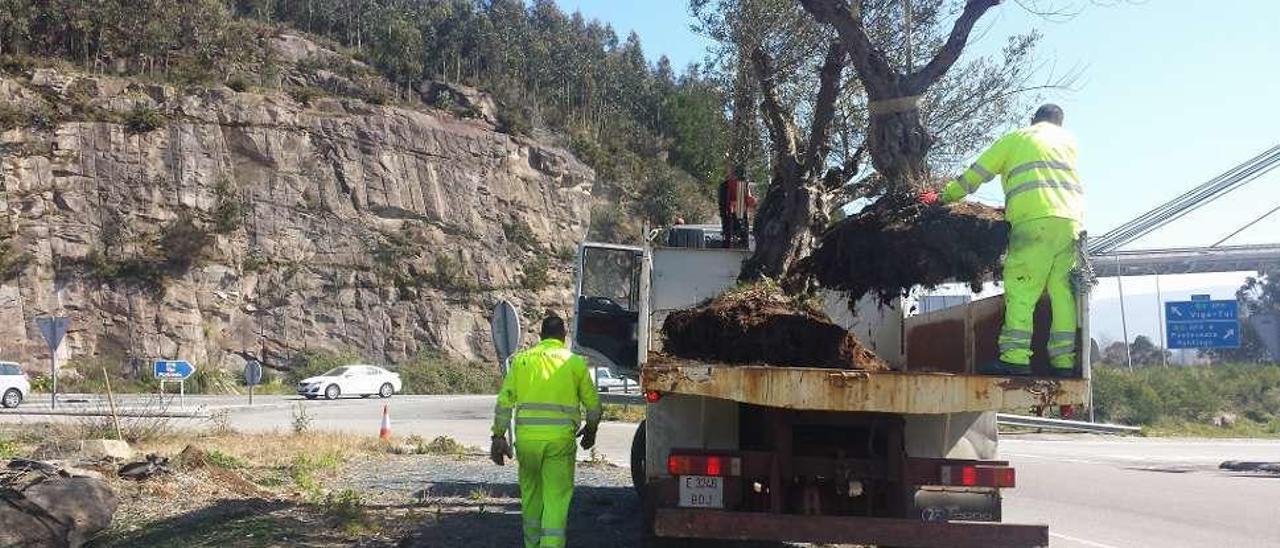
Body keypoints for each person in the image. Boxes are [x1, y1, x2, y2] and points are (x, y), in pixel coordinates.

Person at [921, 104, 1083, 377]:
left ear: (1033, 120)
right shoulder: (1069, 142)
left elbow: (977, 174)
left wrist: (942, 198)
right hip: (1071, 224)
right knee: (1062, 294)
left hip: (1033, 221)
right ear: (1060, 123)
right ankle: (1064, 364)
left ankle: (1015, 359)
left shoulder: (1018, 138)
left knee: (1022, 289)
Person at [491, 313, 602, 547]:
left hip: (528, 443)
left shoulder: (522, 361)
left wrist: (498, 436)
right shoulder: (574, 363)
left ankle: (531, 544)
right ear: (564, 337)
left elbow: (504, 402)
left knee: (531, 497)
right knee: (556, 499)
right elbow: (593, 406)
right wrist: (590, 431)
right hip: (559, 445)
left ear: (541, 336)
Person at [718, 167, 757, 248]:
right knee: (730, 231)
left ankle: (741, 243)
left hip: (739, 215)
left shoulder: (742, 185)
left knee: (740, 228)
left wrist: (751, 201)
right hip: (729, 216)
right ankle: (733, 242)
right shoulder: (725, 186)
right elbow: (724, 205)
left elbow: (748, 201)